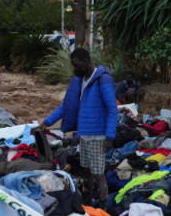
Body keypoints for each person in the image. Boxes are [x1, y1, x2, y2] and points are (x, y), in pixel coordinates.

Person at [39, 48, 118, 207]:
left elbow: (112, 109)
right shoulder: (78, 81)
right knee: (85, 171)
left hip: (98, 136)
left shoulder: (103, 79)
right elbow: (66, 106)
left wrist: (110, 136)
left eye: (76, 65)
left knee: (98, 174)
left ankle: (103, 208)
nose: (74, 69)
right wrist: (47, 122)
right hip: (84, 134)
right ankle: (88, 202)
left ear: (85, 62)